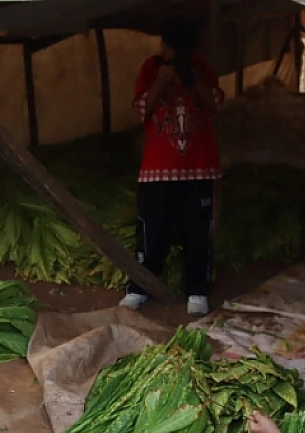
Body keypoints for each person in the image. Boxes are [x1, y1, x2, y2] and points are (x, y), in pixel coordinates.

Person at [118, 17, 224, 318]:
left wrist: (193, 80)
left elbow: (215, 103)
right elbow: (141, 109)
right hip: (158, 169)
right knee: (153, 231)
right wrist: (161, 82)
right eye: (170, 49)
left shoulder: (200, 68)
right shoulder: (151, 69)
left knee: (196, 232)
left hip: (198, 168)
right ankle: (139, 288)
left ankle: (197, 290)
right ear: (162, 47)